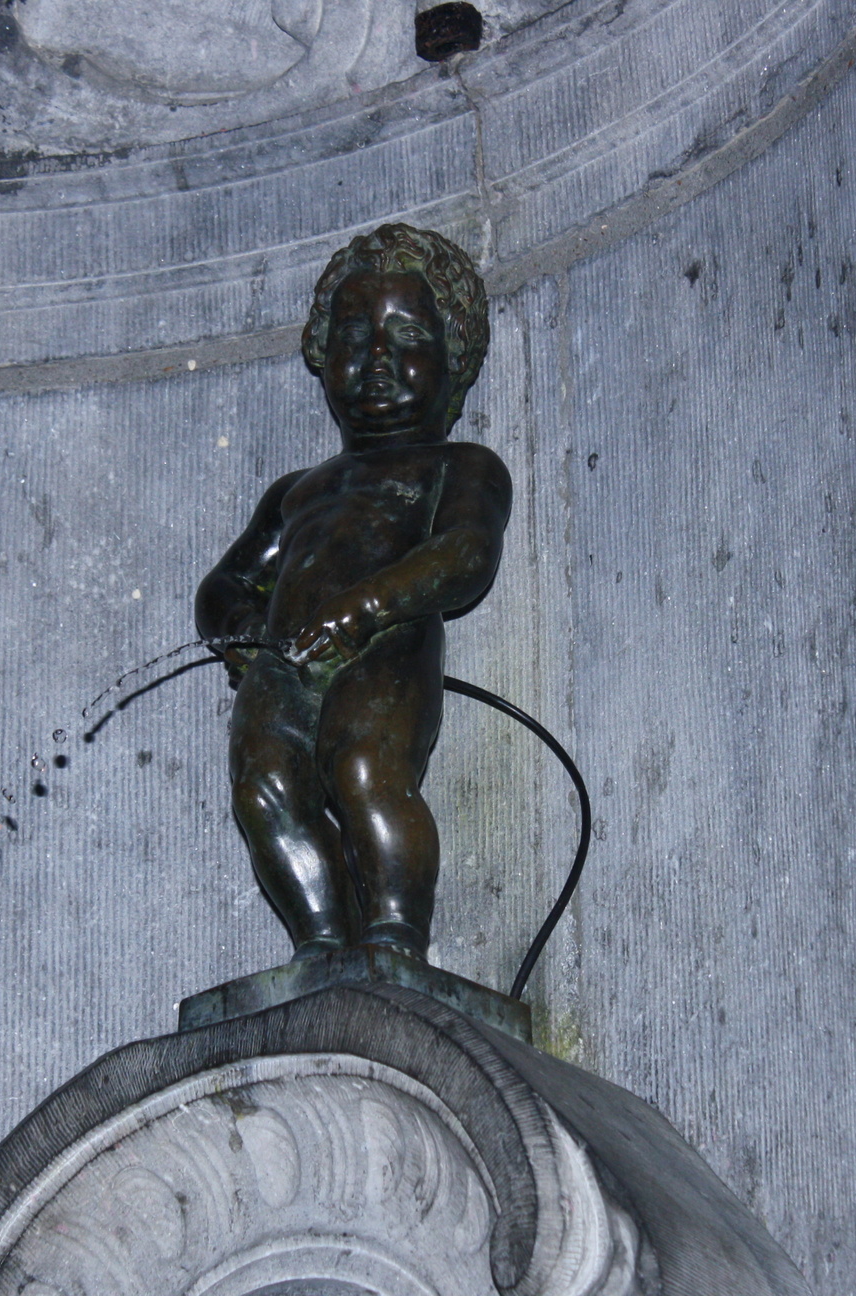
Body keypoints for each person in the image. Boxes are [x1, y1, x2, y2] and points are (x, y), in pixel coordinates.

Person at [195, 224, 512, 961]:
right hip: (282, 661)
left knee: (365, 768)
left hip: (385, 645)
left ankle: (395, 935)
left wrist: (366, 608)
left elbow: (465, 553)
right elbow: (226, 582)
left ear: (454, 357)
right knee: (264, 786)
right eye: (354, 336)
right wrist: (243, 628)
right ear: (323, 354)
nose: (376, 361)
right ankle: (322, 943)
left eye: (406, 337)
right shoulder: (298, 491)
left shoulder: (459, 465)